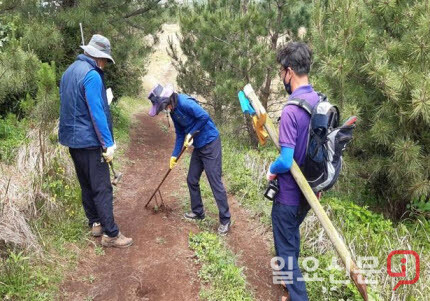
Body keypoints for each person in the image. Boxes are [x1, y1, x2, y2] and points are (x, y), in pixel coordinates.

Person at [59, 34, 132, 248]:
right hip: (91, 142)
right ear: (99, 58)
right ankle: (111, 234)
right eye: (105, 61)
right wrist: (108, 144)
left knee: (86, 183)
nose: (105, 65)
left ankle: (95, 223)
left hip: (72, 141)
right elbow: (96, 112)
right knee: (102, 188)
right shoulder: (92, 75)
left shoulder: (69, 71)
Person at [266, 42, 317, 300]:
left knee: (285, 250)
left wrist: (271, 170)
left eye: (281, 72)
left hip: (288, 196)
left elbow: (286, 160)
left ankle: (297, 295)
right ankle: (289, 287)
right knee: (290, 237)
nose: (281, 77)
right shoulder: (317, 99)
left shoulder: (292, 109)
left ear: (289, 72)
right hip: (309, 194)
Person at [147, 84, 232, 235]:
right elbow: (180, 134)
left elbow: (204, 116)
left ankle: (225, 220)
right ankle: (198, 212)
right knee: (192, 179)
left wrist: (191, 133)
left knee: (214, 181)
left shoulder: (185, 103)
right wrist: (174, 154)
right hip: (198, 146)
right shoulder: (173, 112)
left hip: (210, 143)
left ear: (168, 101)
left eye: (164, 107)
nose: (165, 110)